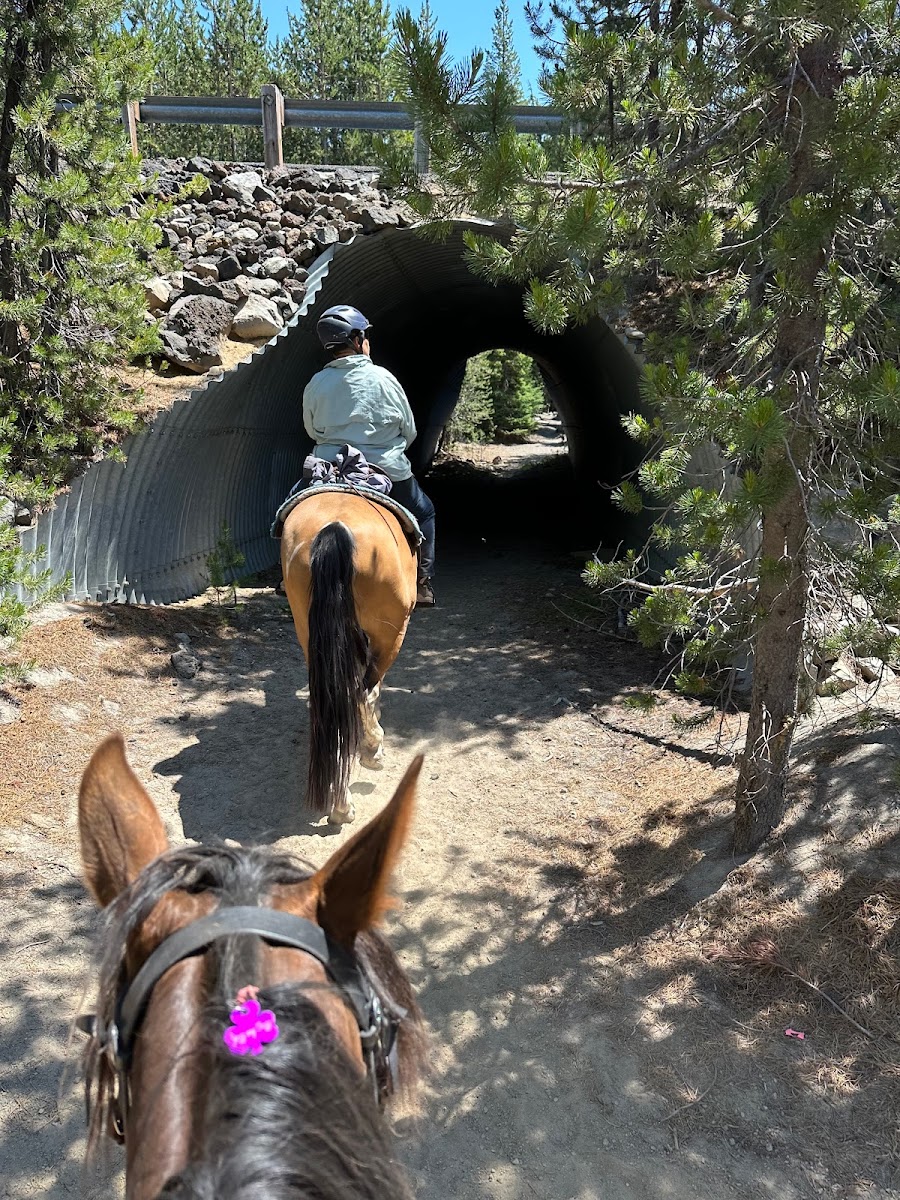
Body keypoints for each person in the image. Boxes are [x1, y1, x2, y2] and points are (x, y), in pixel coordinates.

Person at [303, 304, 437, 607]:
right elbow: (410, 429)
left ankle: (289, 576)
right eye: (364, 336)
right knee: (425, 511)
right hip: (383, 468)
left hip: (329, 467)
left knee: (288, 514)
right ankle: (423, 583)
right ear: (356, 339)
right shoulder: (383, 378)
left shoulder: (316, 383)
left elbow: (312, 430)